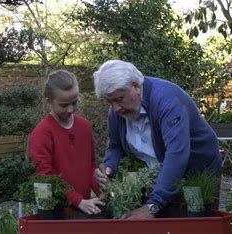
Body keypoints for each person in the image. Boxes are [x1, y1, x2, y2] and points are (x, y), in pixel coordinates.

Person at [93, 60, 222, 219]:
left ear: (136, 86)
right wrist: (109, 167)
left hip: (197, 172)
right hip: (163, 176)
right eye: (109, 102)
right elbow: (115, 146)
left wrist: (153, 205)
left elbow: (177, 154)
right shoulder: (118, 113)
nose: (115, 108)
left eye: (119, 99)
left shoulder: (165, 100)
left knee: (194, 225)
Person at [28, 69, 103, 215]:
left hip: (83, 206)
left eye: (74, 103)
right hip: (54, 210)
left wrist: (104, 192)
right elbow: (44, 175)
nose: (70, 109)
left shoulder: (84, 126)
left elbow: (90, 165)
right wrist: (77, 200)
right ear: (49, 101)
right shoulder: (42, 133)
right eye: (63, 105)